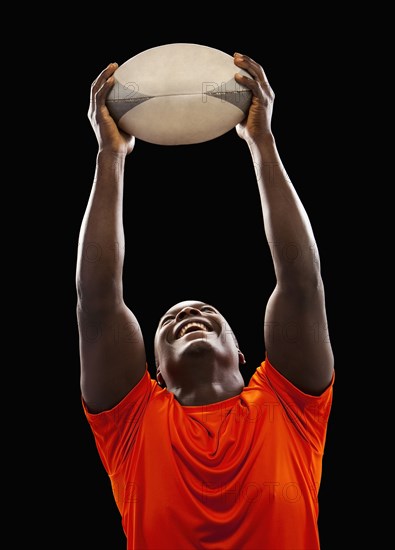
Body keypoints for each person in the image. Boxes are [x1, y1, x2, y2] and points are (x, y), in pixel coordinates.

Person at [76, 52, 334, 550]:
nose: (189, 312)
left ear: (242, 354)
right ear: (154, 371)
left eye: (206, 313)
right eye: (171, 319)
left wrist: (263, 143)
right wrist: (110, 156)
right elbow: (98, 303)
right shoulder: (131, 425)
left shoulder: (290, 406)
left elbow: (302, 282)